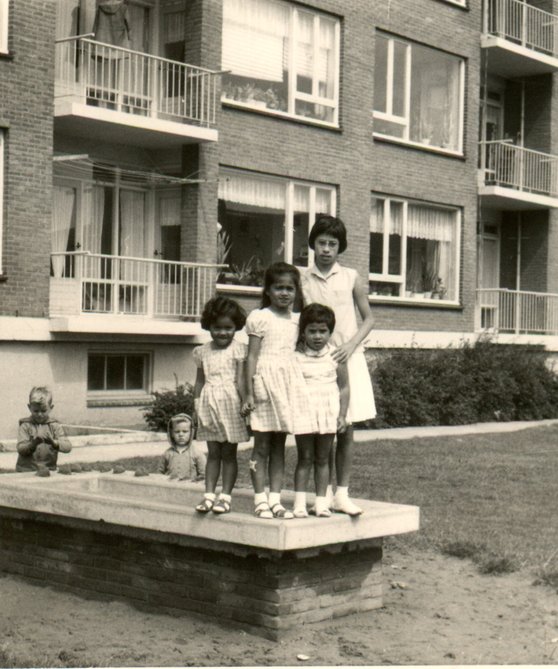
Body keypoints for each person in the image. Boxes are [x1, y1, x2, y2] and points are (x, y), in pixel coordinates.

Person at [301, 215, 376, 516]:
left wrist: (351, 344)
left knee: (345, 428)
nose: (327, 249)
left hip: (346, 358)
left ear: (339, 247)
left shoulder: (351, 277)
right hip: (314, 361)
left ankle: (342, 494)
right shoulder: (302, 279)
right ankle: (323, 494)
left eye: (332, 244)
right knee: (320, 429)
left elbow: (369, 317)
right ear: (313, 245)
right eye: (322, 243)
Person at [242, 262, 315, 519]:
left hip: (286, 385)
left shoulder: (298, 321)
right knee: (261, 445)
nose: (284, 293)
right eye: (278, 288)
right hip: (264, 382)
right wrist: (249, 392)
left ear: (296, 291)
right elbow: (251, 357)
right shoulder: (260, 317)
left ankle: (275, 499)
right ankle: (259, 498)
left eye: (289, 288)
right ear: (268, 291)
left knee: (279, 446)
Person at [193, 296, 249, 515]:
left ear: (236, 327)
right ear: (209, 326)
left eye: (228, 328)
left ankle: (225, 496)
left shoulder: (239, 350)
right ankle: (208, 495)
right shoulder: (202, 351)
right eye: (217, 328)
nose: (222, 333)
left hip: (231, 403)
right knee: (213, 452)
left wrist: (245, 401)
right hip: (209, 403)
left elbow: (242, 380)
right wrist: (196, 405)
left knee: (229, 453)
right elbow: (199, 380)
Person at [293, 303, 350, 518]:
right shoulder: (297, 357)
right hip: (304, 412)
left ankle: (321, 503)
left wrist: (342, 415)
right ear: (304, 332)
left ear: (330, 332)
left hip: (328, 412)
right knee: (305, 457)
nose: (317, 336)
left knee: (323, 458)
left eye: (323, 331)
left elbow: (344, 388)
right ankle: (299, 503)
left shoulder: (336, 356)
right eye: (312, 331)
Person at [16, 387, 72, 472]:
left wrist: (54, 443)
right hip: (26, 470)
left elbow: (68, 447)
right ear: (29, 407)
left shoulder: (54, 426)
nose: (39, 414)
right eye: (36, 411)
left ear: (51, 407)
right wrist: (33, 444)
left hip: (48, 470)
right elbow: (20, 449)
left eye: (43, 411)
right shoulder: (26, 425)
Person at [158, 413, 206, 481]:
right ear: (171, 433)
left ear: (191, 432)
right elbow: (159, 473)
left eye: (185, 431)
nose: (181, 434)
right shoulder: (167, 453)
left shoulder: (197, 453)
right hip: (170, 487)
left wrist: (196, 481)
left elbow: (204, 475)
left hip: (190, 487)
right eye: (177, 432)